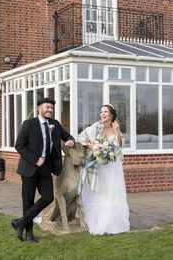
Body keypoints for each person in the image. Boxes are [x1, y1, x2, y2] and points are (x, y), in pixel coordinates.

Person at [11, 97, 75, 242]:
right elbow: (19, 145)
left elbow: (67, 136)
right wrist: (35, 159)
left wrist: (71, 140)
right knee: (28, 201)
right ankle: (29, 233)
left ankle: (19, 222)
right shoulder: (29, 124)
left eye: (51, 108)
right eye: (47, 107)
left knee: (48, 197)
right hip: (29, 168)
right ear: (39, 108)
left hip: (46, 168)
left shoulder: (55, 124)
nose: (50, 110)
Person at [77, 104, 130, 235]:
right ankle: (96, 218)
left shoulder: (116, 128)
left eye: (106, 112)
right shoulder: (96, 127)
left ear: (111, 115)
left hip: (113, 166)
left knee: (112, 190)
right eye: (101, 112)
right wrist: (93, 146)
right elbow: (81, 138)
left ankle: (113, 221)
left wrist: (117, 131)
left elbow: (120, 146)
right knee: (99, 190)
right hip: (99, 165)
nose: (103, 114)